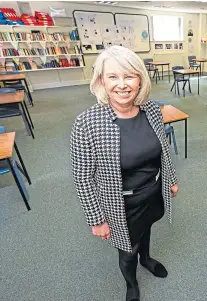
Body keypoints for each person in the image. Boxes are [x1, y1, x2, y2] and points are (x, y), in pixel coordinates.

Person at [70, 45, 178, 301]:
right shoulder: (86, 123)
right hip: (121, 202)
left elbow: (162, 149)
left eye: (129, 76)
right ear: (101, 81)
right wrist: (96, 219)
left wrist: (171, 180)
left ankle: (148, 259)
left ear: (140, 78)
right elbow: (82, 177)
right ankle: (131, 284)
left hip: (152, 192)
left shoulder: (151, 109)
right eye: (113, 77)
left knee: (147, 227)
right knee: (128, 250)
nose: (122, 84)